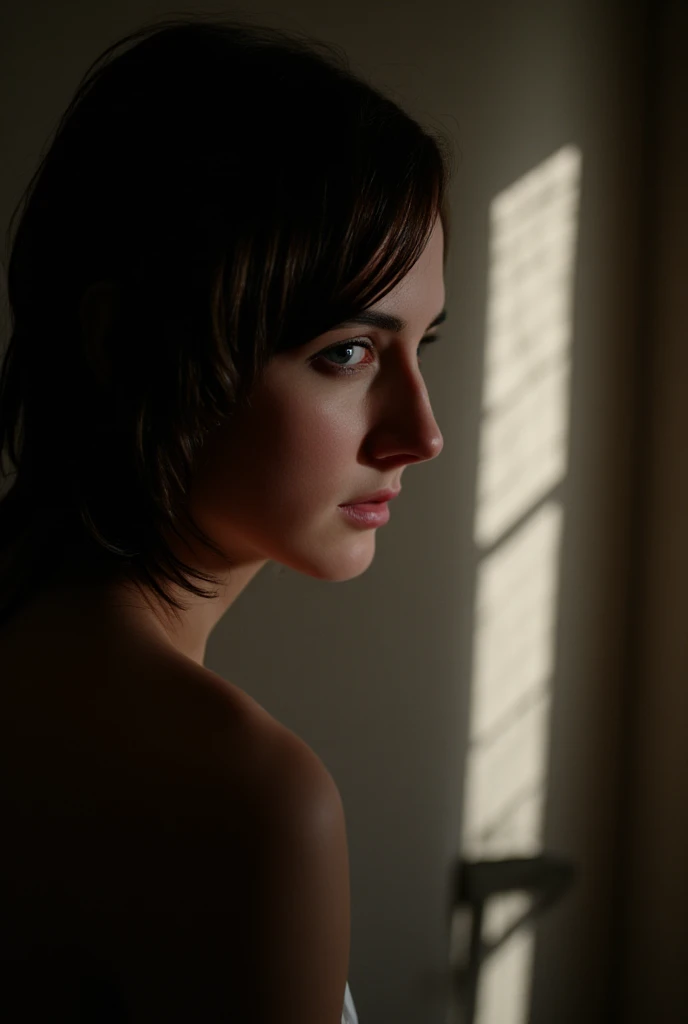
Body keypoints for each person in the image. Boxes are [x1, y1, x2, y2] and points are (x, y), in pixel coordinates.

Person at [0, 14, 453, 1022]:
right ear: (124, 344)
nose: (419, 433)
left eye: (426, 343)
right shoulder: (246, 805)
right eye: (347, 351)